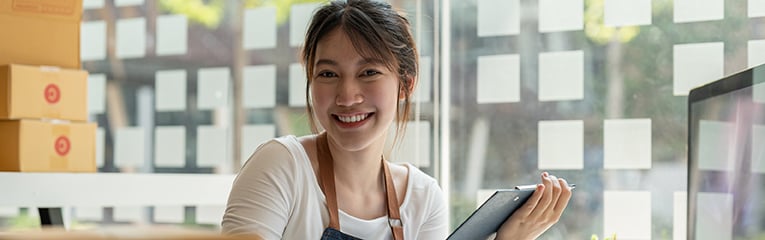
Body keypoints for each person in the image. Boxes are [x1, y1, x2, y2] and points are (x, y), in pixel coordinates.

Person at [222, 0, 572, 239]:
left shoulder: (422, 197)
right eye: (328, 75)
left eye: (369, 72)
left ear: (406, 83)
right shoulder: (281, 166)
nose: (347, 96)